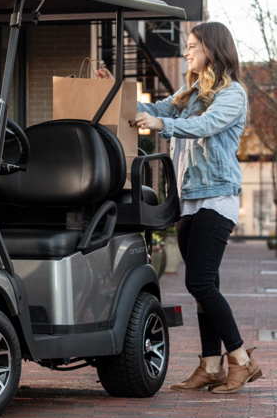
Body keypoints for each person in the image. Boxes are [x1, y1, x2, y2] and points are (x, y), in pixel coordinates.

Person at [97, 21, 262, 394]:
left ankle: (240, 359)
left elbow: (206, 126)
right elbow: (149, 108)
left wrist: (163, 124)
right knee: (206, 286)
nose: (186, 52)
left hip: (216, 198)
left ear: (212, 50)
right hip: (188, 200)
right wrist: (112, 91)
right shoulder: (187, 94)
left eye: (192, 46)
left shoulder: (232, 94)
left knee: (199, 282)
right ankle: (210, 364)